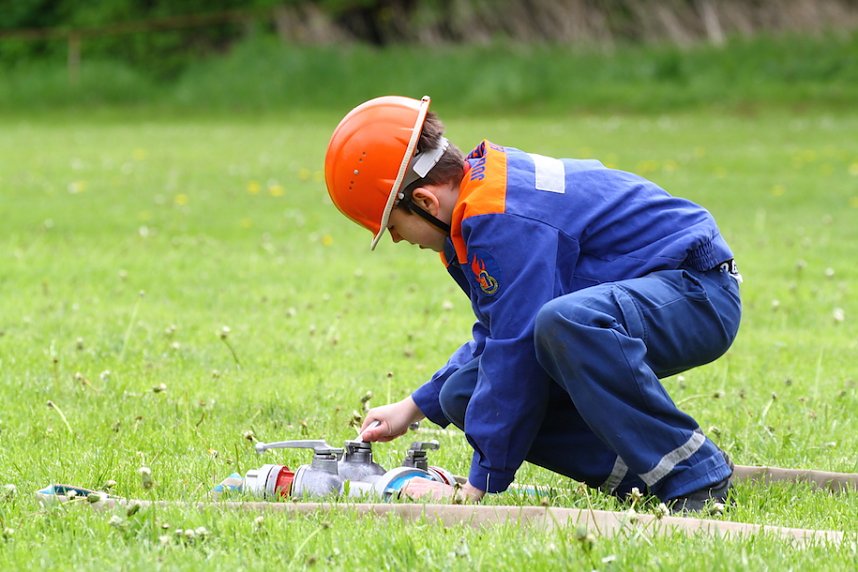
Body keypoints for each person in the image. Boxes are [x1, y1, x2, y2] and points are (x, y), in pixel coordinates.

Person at [323, 95, 741, 512]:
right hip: (643, 300)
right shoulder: (478, 203)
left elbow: (517, 348)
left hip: (697, 292)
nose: (397, 239)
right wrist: (414, 406)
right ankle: (646, 478)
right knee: (461, 394)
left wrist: (476, 488)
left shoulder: (499, 218)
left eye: (393, 226)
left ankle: (696, 475)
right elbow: (502, 333)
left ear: (425, 202)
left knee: (566, 323)